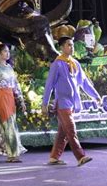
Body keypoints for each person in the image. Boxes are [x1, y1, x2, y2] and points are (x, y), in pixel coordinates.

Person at [42, 36, 101, 167]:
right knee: (71, 130)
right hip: (62, 103)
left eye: (72, 45)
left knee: (63, 133)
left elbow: (85, 83)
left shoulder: (75, 63)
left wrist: (96, 96)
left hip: (72, 103)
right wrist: (44, 103)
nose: (72, 47)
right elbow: (49, 85)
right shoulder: (57, 64)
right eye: (69, 45)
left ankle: (54, 157)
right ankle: (81, 156)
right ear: (62, 47)